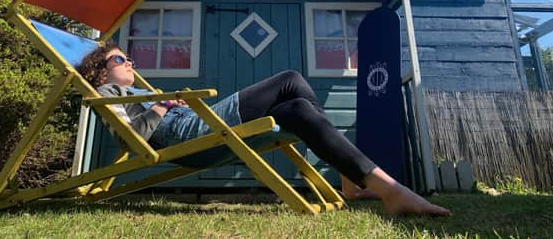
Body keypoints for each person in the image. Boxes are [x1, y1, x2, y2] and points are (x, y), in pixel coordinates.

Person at [77, 42, 450, 216]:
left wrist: (162, 102)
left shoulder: (131, 88)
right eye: (121, 58)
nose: (131, 61)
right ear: (100, 69)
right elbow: (134, 137)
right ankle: (372, 185)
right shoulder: (109, 93)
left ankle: (371, 184)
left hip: (198, 128)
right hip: (194, 138)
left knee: (299, 109)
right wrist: (161, 104)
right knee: (290, 79)